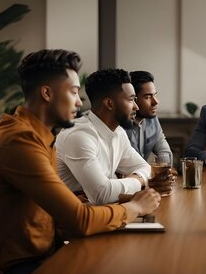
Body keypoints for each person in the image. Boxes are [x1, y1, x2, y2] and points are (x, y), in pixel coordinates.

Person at [0, 50, 161, 274]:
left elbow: (62, 212)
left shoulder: (39, 136)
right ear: (46, 93)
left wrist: (77, 207)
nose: (81, 102)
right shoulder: (19, 142)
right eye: (72, 92)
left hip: (39, 260)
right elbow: (80, 221)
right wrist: (135, 206)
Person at [56, 68, 173, 204]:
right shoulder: (78, 137)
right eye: (130, 100)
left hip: (107, 212)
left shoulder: (118, 132)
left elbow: (145, 167)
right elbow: (103, 194)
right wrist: (139, 180)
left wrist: (118, 185)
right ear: (109, 104)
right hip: (78, 219)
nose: (136, 107)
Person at [125, 70, 173, 162]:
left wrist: (163, 169)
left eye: (155, 95)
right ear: (133, 99)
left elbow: (165, 153)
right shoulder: (120, 123)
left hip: (142, 174)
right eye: (147, 97)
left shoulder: (152, 119)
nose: (155, 102)